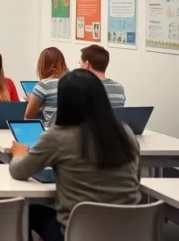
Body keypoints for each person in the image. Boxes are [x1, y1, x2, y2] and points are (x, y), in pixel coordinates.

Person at [9, 69, 140, 241]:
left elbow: (19, 171)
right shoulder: (125, 132)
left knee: (28, 212)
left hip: (78, 234)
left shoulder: (58, 136)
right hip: (129, 233)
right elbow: (136, 178)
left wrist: (19, 154)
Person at [24, 47, 69, 125]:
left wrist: (32, 101)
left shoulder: (44, 85)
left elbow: (28, 115)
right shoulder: (71, 81)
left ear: (42, 65)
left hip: (53, 129)